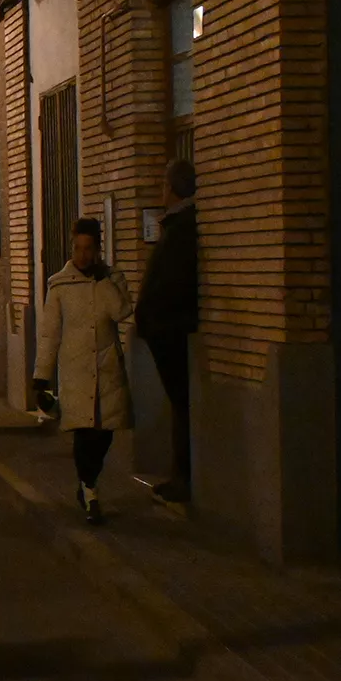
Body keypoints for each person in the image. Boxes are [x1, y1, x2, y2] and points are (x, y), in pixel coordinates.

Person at [33, 219, 133, 526]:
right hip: (76, 370)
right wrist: (40, 377)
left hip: (107, 369)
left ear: (98, 249)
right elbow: (50, 333)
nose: (83, 255)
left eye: (89, 249)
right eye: (78, 248)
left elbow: (121, 311)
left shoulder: (112, 278)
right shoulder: (60, 285)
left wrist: (103, 282)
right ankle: (90, 491)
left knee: (105, 434)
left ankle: (87, 483)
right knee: (84, 434)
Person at [136, 160, 198, 504]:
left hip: (171, 332)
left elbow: (171, 285)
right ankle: (179, 475)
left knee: (181, 404)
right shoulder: (179, 226)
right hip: (167, 329)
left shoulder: (181, 229)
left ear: (171, 188)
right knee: (179, 405)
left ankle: (183, 477)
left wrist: (153, 322)